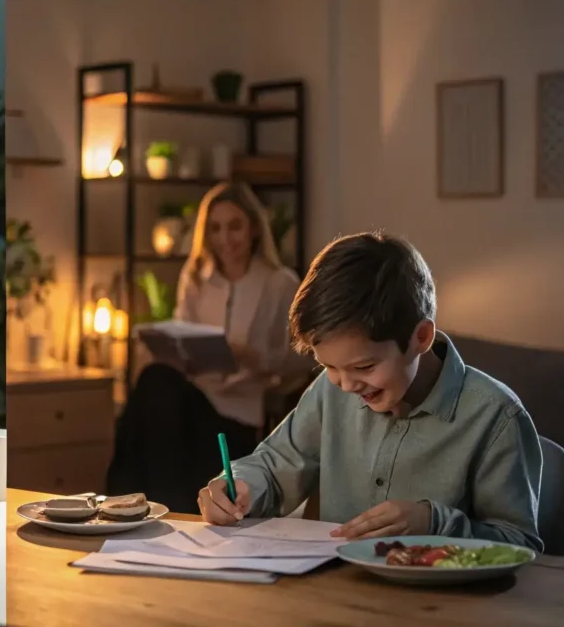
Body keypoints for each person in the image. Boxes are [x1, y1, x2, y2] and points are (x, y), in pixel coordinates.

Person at [198, 231, 544, 551]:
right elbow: (274, 467)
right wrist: (239, 488)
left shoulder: (494, 416)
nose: (346, 385)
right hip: (335, 595)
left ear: (420, 338)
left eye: (364, 368)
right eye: (329, 367)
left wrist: (434, 523)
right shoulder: (330, 393)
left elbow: (520, 545)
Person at [106, 182, 309, 513]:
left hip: (239, 414)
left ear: (254, 229)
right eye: (215, 228)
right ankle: (139, 506)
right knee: (154, 380)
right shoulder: (197, 278)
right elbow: (182, 332)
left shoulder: (279, 283)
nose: (225, 238)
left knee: (156, 392)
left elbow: (303, 359)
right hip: (195, 398)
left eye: (235, 227)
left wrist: (254, 357)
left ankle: (146, 506)